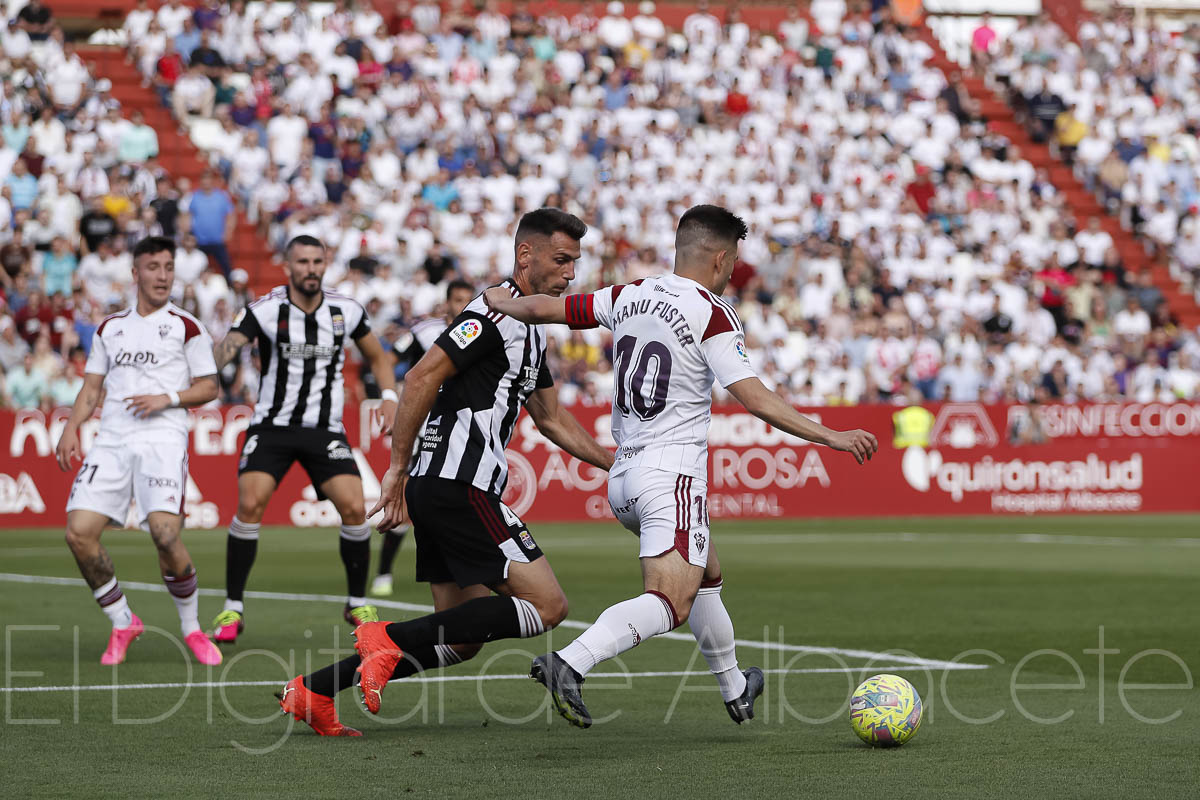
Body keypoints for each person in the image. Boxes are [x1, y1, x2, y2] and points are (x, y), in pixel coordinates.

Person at [483, 205, 878, 728]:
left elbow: (539, 311)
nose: (733, 271)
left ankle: (737, 689)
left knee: (707, 573)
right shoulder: (711, 310)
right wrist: (831, 435)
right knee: (671, 601)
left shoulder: (629, 293)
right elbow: (754, 398)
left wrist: (497, 300)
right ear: (720, 258)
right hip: (671, 475)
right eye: (733, 262)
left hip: (623, 477)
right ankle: (569, 663)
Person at [278, 208, 613, 737]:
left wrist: (612, 461)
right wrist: (395, 472)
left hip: (446, 489)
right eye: (561, 259)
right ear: (526, 255)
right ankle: (383, 638)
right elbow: (418, 380)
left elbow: (550, 418)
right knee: (548, 606)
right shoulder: (493, 316)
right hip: (461, 484)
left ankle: (315, 690)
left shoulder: (528, 328)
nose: (571, 273)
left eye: (575, 261)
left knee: (458, 639)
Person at [208, 235, 400, 642]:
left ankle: (355, 601)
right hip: (271, 426)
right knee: (250, 503)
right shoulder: (265, 309)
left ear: (325, 264)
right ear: (287, 266)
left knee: (353, 506)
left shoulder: (345, 309)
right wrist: (200, 366)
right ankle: (232, 609)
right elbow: (226, 350)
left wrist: (387, 396)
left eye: (317, 261)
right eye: (303, 262)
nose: (310, 269)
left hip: (324, 428)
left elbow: (378, 357)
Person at [53, 236, 223, 666]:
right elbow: (92, 388)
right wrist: (72, 427)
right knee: (78, 533)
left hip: (162, 439)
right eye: (153, 267)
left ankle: (191, 628)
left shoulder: (187, 326)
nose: (162, 275)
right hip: (111, 440)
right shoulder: (110, 328)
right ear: (135, 274)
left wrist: (165, 398)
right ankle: (123, 620)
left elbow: (209, 386)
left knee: (165, 535)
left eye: (168, 267)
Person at [370, 277, 476, 598]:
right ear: (446, 303)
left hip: (459, 425)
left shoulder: (480, 332)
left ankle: (459, 570)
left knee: (459, 499)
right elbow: (389, 360)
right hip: (422, 424)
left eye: (468, 301)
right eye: (458, 300)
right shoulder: (424, 332)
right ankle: (384, 571)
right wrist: (395, 392)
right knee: (406, 498)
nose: (463, 307)